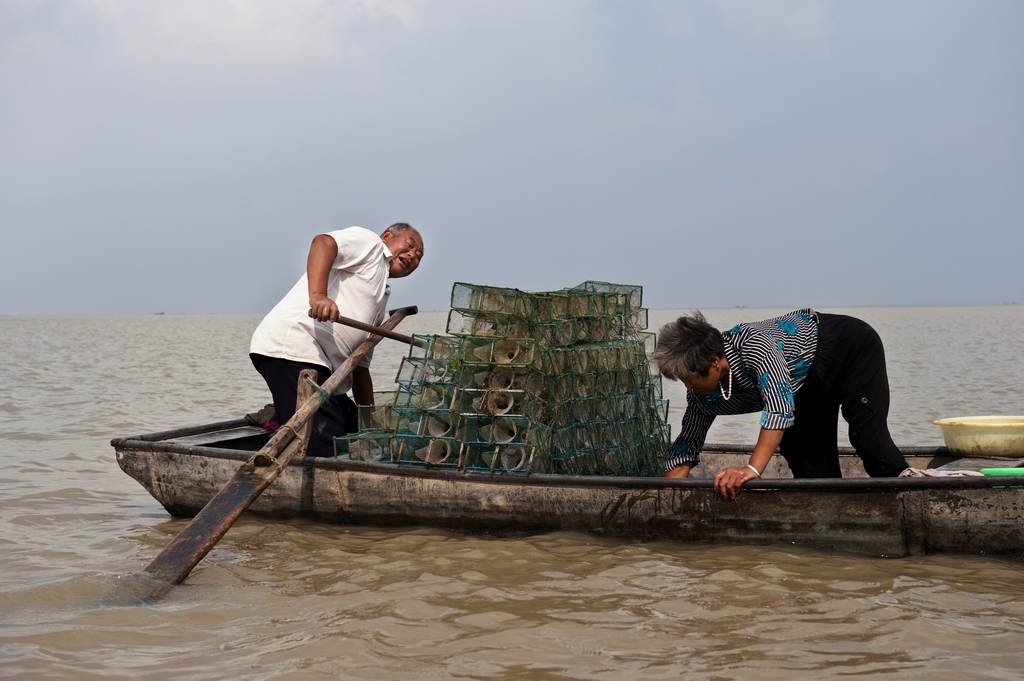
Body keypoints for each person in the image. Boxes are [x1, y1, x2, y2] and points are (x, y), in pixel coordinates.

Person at [653, 309, 908, 498]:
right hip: (802, 385)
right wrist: (669, 494)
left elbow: (779, 409)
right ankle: (835, 520)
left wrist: (751, 468)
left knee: (869, 440)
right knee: (806, 463)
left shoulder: (754, 345)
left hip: (849, 348)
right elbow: (687, 444)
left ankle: (906, 493)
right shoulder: (701, 395)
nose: (687, 386)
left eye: (689, 377)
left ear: (713, 362)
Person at [249, 223, 424, 457]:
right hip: (293, 348)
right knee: (323, 437)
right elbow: (323, 242)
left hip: (323, 368)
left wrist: (369, 425)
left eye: (418, 257)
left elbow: (360, 369)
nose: (412, 255)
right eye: (410, 246)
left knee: (352, 427)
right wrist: (319, 296)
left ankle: (280, 411)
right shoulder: (372, 246)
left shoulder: (380, 297)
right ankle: (285, 416)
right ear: (387, 236)